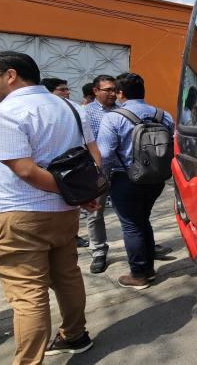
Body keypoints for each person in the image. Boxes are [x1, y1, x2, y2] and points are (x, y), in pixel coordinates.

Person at [0, 51, 98, 362]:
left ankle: (28, 360)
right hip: (63, 212)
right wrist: (81, 195)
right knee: (68, 276)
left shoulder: (5, 112)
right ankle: (76, 335)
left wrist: (75, 194)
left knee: (28, 293)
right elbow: (91, 155)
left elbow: (25, 170)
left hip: (20, 213)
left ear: (10, 75)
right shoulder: (70, 108)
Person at [97, 72, 173, 290]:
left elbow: (106, 154)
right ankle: (148, 267)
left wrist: (102, 181)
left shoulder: (114, 117)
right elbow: (175, 144)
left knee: (131, 225)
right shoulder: (163, 115)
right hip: (157, 178)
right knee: (142, 220)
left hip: (126, 178)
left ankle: (139, 274)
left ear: (121, 93)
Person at [42, 77, 89, 248]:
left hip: (73, 167)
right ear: (48, 92)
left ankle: (72, 236)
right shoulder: (40, 113)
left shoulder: (74, 109)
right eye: (62, 89)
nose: (67, 92)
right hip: (48, 171)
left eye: (67, 89)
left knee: (71, 207)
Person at [81, 75, 118, 274]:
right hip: (96, 172)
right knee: (95, 213)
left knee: (130, 211)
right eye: (108, 90)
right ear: (95, 91)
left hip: (122, 171)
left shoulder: (122, 111)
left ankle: (141, 245)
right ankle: (98, 251)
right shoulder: (84, 113)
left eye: (114, 89)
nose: (113, 93)